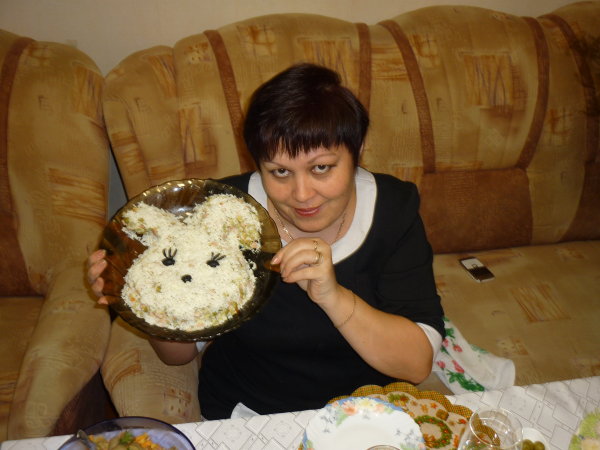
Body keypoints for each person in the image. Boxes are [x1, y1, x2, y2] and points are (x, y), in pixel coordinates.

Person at [88, 63, 445, 420]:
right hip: (251, 413)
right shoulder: (223, 213)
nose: (302, 194)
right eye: (280, 171)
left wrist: (332, 297)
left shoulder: (393, 209)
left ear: (358, 148)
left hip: (364, 414)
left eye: (321, 167)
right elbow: (179, 355)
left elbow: (416, 365)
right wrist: (143, 302)